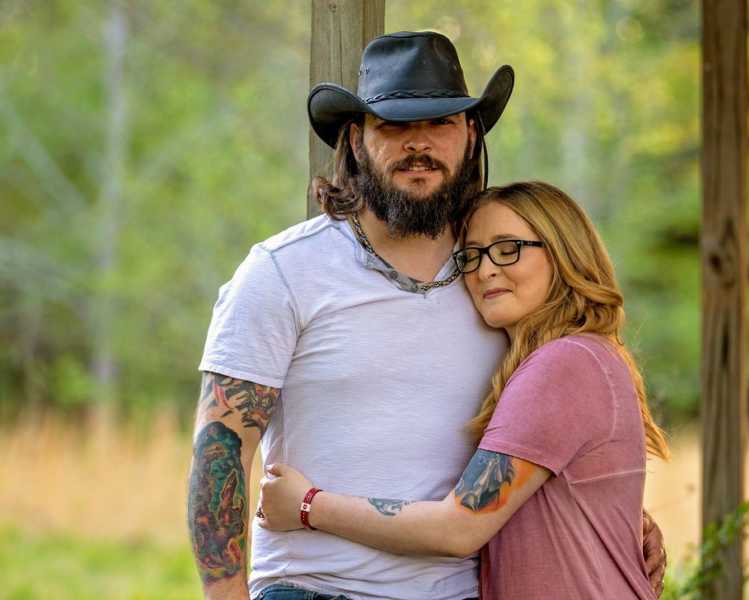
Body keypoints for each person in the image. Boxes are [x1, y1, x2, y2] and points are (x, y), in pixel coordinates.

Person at [187, 31, 666, 600]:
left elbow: (547, 428)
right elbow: (220, 451)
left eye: (439, 123)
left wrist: (604, 509)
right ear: (356, 139)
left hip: (460, 591)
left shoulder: (495, 279)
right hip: (316, 588)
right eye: (393, 125)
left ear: (469, 135)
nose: (419, 144)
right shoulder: (283, 272)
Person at [257, 181, 670, 599]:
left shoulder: (563, 364)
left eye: (508, 248)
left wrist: (307, 505)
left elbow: (460, 526)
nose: (485, 269)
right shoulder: (582, 357)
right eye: (471, 255)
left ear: (564, 253)